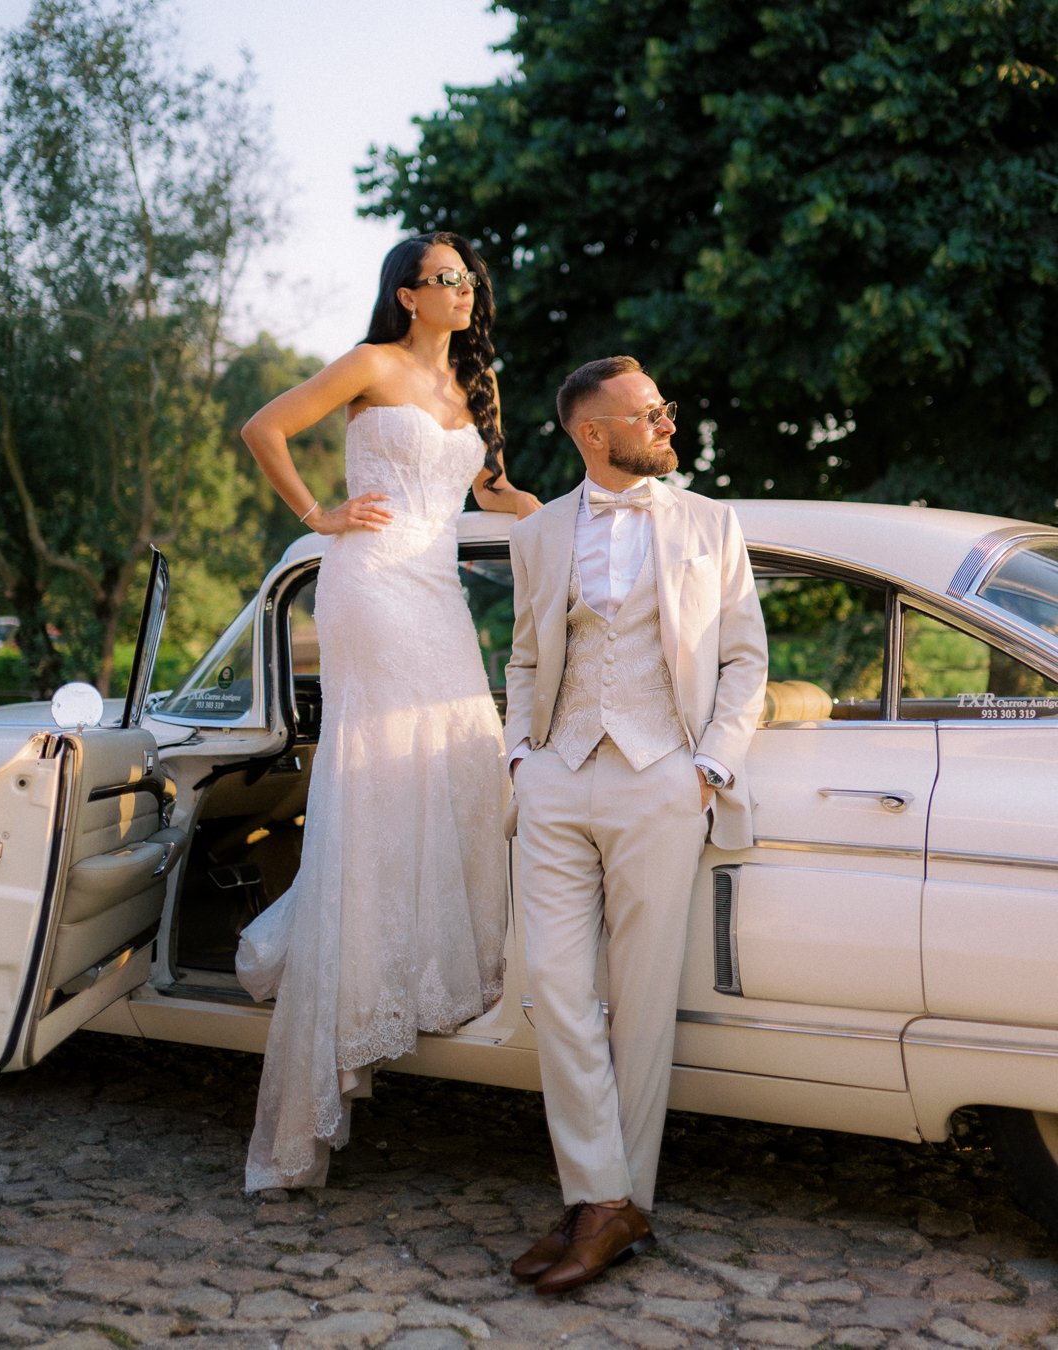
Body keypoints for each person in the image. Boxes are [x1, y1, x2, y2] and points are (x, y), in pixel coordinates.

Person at [235, 231, 541, 1193]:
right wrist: (318, 516)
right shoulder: (370, 364)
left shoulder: (477, 385)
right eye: (445, 279)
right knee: (375, 773)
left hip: (437, 591)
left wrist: (545, 512)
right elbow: (263, 429)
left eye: (468, 278)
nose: (463, 289)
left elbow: (488, 487)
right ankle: (351, 1000)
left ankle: (423, 973)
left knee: (462, 755)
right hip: (369, 581)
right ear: (408, 295)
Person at [504, 355, 767, 1294]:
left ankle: (608, 1205)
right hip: (558, 776)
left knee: (646, 1001)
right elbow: (525, 658)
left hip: (662, 777)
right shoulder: (537, 533)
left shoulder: (710, 524)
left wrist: (708, 768)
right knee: (554, 987)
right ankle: (605, 1200)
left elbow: (745, 660)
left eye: (664, 408)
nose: (667, 423)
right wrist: (521, 758)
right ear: (593, 433)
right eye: (648, 413)